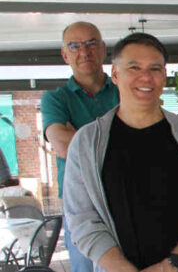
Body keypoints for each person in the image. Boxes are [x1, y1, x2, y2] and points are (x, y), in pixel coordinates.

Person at [63, 33, 178, 272]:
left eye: (155, 68)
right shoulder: (87, 143)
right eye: (134, 67)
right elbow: (83, 221)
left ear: (164, 76)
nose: (146, 77)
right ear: (116, 74)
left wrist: (170, 265)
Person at [41, 21, 120, 272]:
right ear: (65, 54)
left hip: (124, 195)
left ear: (104, 48)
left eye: (91, 43)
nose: (84, 52)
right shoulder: (55, 99)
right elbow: (63, 146)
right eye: (74, 46)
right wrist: (118, 140)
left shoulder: (123, 91)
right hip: (80, 203)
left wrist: (79, 136)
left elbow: (143, 142)